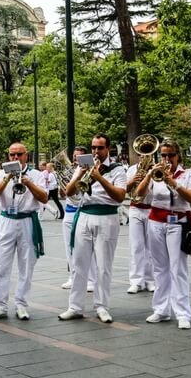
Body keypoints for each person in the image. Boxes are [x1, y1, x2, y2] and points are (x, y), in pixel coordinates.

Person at [59, 134, 126, 324]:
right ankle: (75, 306)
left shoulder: (117, 169)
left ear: (108, 149)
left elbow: (120, 196)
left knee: (103, 266)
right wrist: (80, 174)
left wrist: (100, 178)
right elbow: (69, 192)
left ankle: (102, 307)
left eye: (100, 148)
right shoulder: (83, 166)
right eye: (93, 147)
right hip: (85, 215)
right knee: (79, 264)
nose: (96, 151)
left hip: (107, 217)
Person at [134, 139, 191, 329]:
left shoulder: (187, 174)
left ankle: (183, 313)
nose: (166, 158)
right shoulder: (155, 174)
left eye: (170, 155)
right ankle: (161, 309)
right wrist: (148, 176)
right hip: (156, 221)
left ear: (178, 155)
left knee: (178, 268)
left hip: (178, 223)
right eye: (163, 155)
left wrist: (174, 184)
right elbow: (138, 195)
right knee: (159, 267)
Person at [0, 143, 48, 321]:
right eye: (12, 155)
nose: (15, 158)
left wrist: (28, 183)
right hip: (7, 221)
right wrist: (7, 177)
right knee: (1, 264)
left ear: (26, 155)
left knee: (26, 266)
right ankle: (0, 305)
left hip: (27, 219)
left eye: (19, 154)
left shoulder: (36, 174)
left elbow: (44, 197)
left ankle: (21, 304)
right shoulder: (1, 173)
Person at [61, 146, 98, 292]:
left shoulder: (90, 170)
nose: (77, 159)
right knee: (69, 247)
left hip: (83, 210)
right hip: (69, 211)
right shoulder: (70, 171)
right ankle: (73, 276)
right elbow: (65, 193)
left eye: (80, 156)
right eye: (75, 156)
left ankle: (91, 279)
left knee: (87, 248)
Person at [125, 156, 155, 294]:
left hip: (151, 208)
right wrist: (134, 180)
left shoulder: (156, 170)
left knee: (151, 246)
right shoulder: (132, 169)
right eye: (142, 155)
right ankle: (136, 281)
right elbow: (126, 188)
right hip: (135, 208)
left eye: (148, 155)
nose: (144, 158)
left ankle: (150, 280)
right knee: (136, 246)